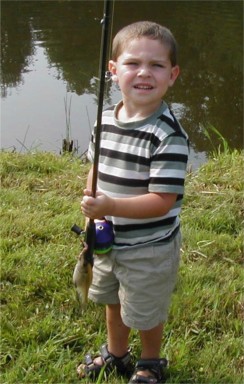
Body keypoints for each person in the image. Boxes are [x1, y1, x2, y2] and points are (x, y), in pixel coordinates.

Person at [78, 21, 189, 384]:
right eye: (132, 63)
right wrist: (93, 199)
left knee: (145, 310)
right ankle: (117, 353)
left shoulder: (167, 134)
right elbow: (96, 165)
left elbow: (161, 201)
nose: (144, 72)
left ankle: (151, 362)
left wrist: (110, 205)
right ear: (113, 71)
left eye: (156, 66)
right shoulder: (105, 119)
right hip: (109, 238)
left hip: (149, 246)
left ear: (172, 75)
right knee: (112, 299)